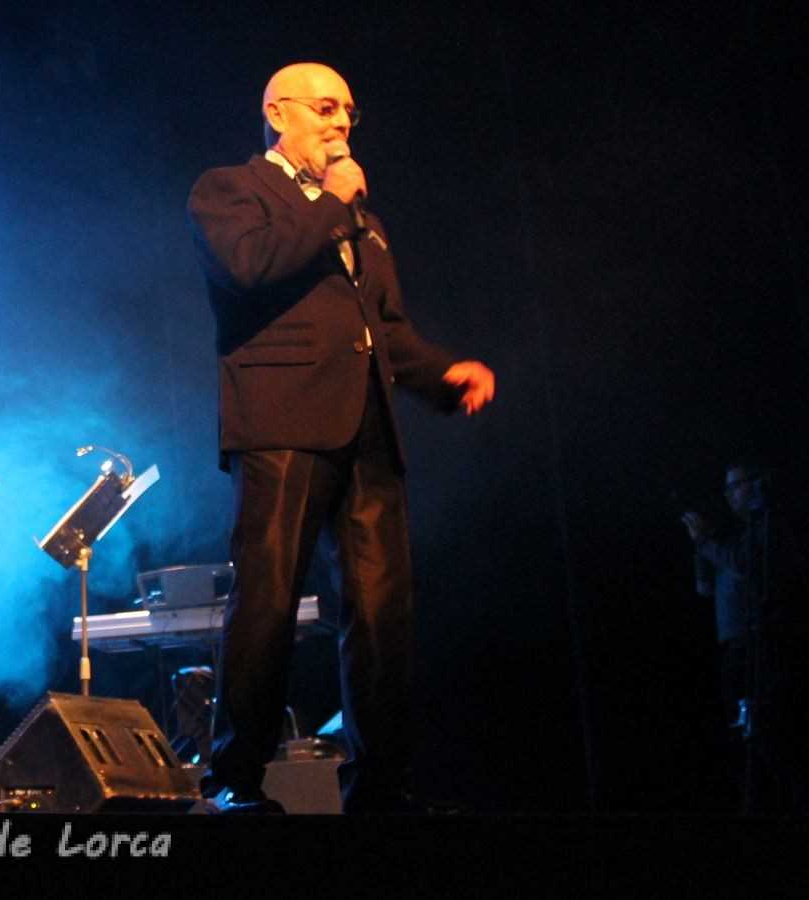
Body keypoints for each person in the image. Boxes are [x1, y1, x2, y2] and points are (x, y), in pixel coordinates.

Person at [185, 62, 495, 813]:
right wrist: (332, 203)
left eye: (349, 111)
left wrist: (442, 373)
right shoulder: (231, 190)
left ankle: (380, 787)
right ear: (277, 112)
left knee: (382, 614)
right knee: (268, 603)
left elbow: (383, 330)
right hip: (281, 422)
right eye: (325, 108)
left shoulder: (361, 219)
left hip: (368, 429)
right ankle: (235, 781)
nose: (341, 123)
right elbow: (251, 267)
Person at [683, 461, 808, 812]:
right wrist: (699, 546)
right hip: (736, 649)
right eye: (727, 488)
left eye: (736, 485)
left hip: (761, 646)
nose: (729, 495)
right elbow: (704, 588)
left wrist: (705, 541)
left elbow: (745, 565)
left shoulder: (767, 529)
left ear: (756, 483)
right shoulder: (736, 538)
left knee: (768, 731)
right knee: (742, 734)